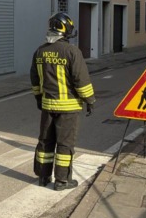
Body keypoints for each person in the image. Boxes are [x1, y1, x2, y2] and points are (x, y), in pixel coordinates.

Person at [30, 13, 97, 191]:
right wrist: (90, 100)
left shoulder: (40, 51)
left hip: (47, 106)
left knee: (45, 141)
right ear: (65, 29)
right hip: (68, 108)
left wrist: (39, 99)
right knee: (65, 144)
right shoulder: (72, 52)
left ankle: (43, 177)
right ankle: (62, 181)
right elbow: (81, 80)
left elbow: (35, 81)